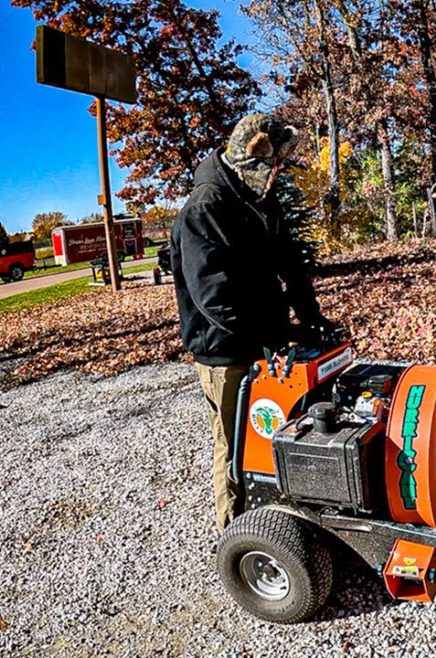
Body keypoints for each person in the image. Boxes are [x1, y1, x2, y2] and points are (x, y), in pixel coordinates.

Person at [171, 114, 333, 530]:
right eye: (274, 167)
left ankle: (283, 517)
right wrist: (273, 335)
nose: (278, 174)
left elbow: (291, 264)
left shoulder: (260, 199)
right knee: (234, 444)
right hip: (223, 349)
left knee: (275, 429)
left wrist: (312, 319)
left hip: (266, 337)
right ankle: (235, 534)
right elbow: (213, 299)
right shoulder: (205, 207)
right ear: (252, 160)